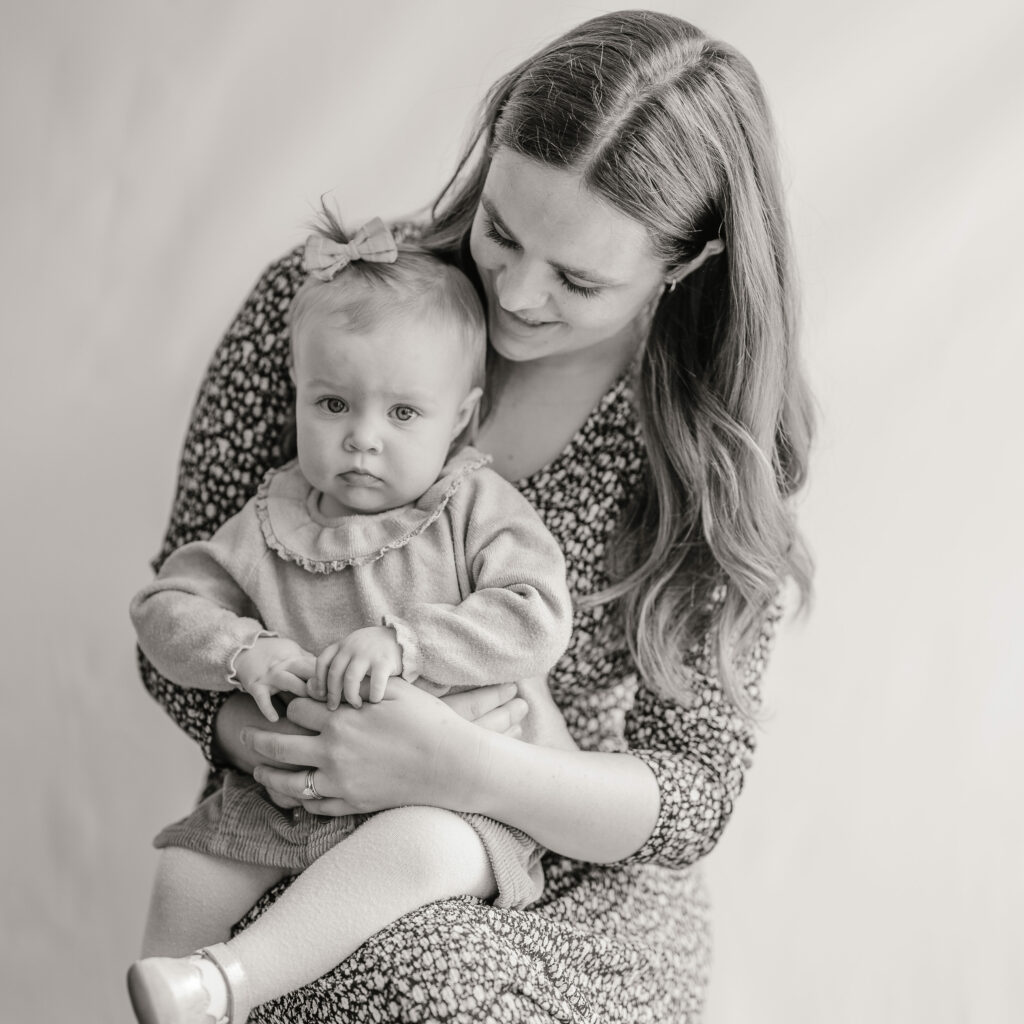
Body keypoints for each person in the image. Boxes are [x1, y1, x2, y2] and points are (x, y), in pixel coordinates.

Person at [137, 10, 814, 1023]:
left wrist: (465, 766)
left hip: (566, 855)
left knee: (417, 971)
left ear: (683, 264)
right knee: (227, 911)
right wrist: (269, 729)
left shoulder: (705, 444)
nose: (517, 290)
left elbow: (694, 790)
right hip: (298, 800)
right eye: (502, 230)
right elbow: (176, 612)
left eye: (580, 278)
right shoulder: (339, 308)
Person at [127, 214, 574, 1023]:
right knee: (185, 874)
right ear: (296, 394)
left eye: (403, 415)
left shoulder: (473, 509)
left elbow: (537, 615)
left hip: (447, 801)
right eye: (333, 403)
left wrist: (406, 643)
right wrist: (242, 652)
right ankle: (174, 999)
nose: (362, 440)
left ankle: (225, 981)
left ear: (462, 418)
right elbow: (162, 608)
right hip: (294, 798)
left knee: (425, 852)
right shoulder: (272, 522)